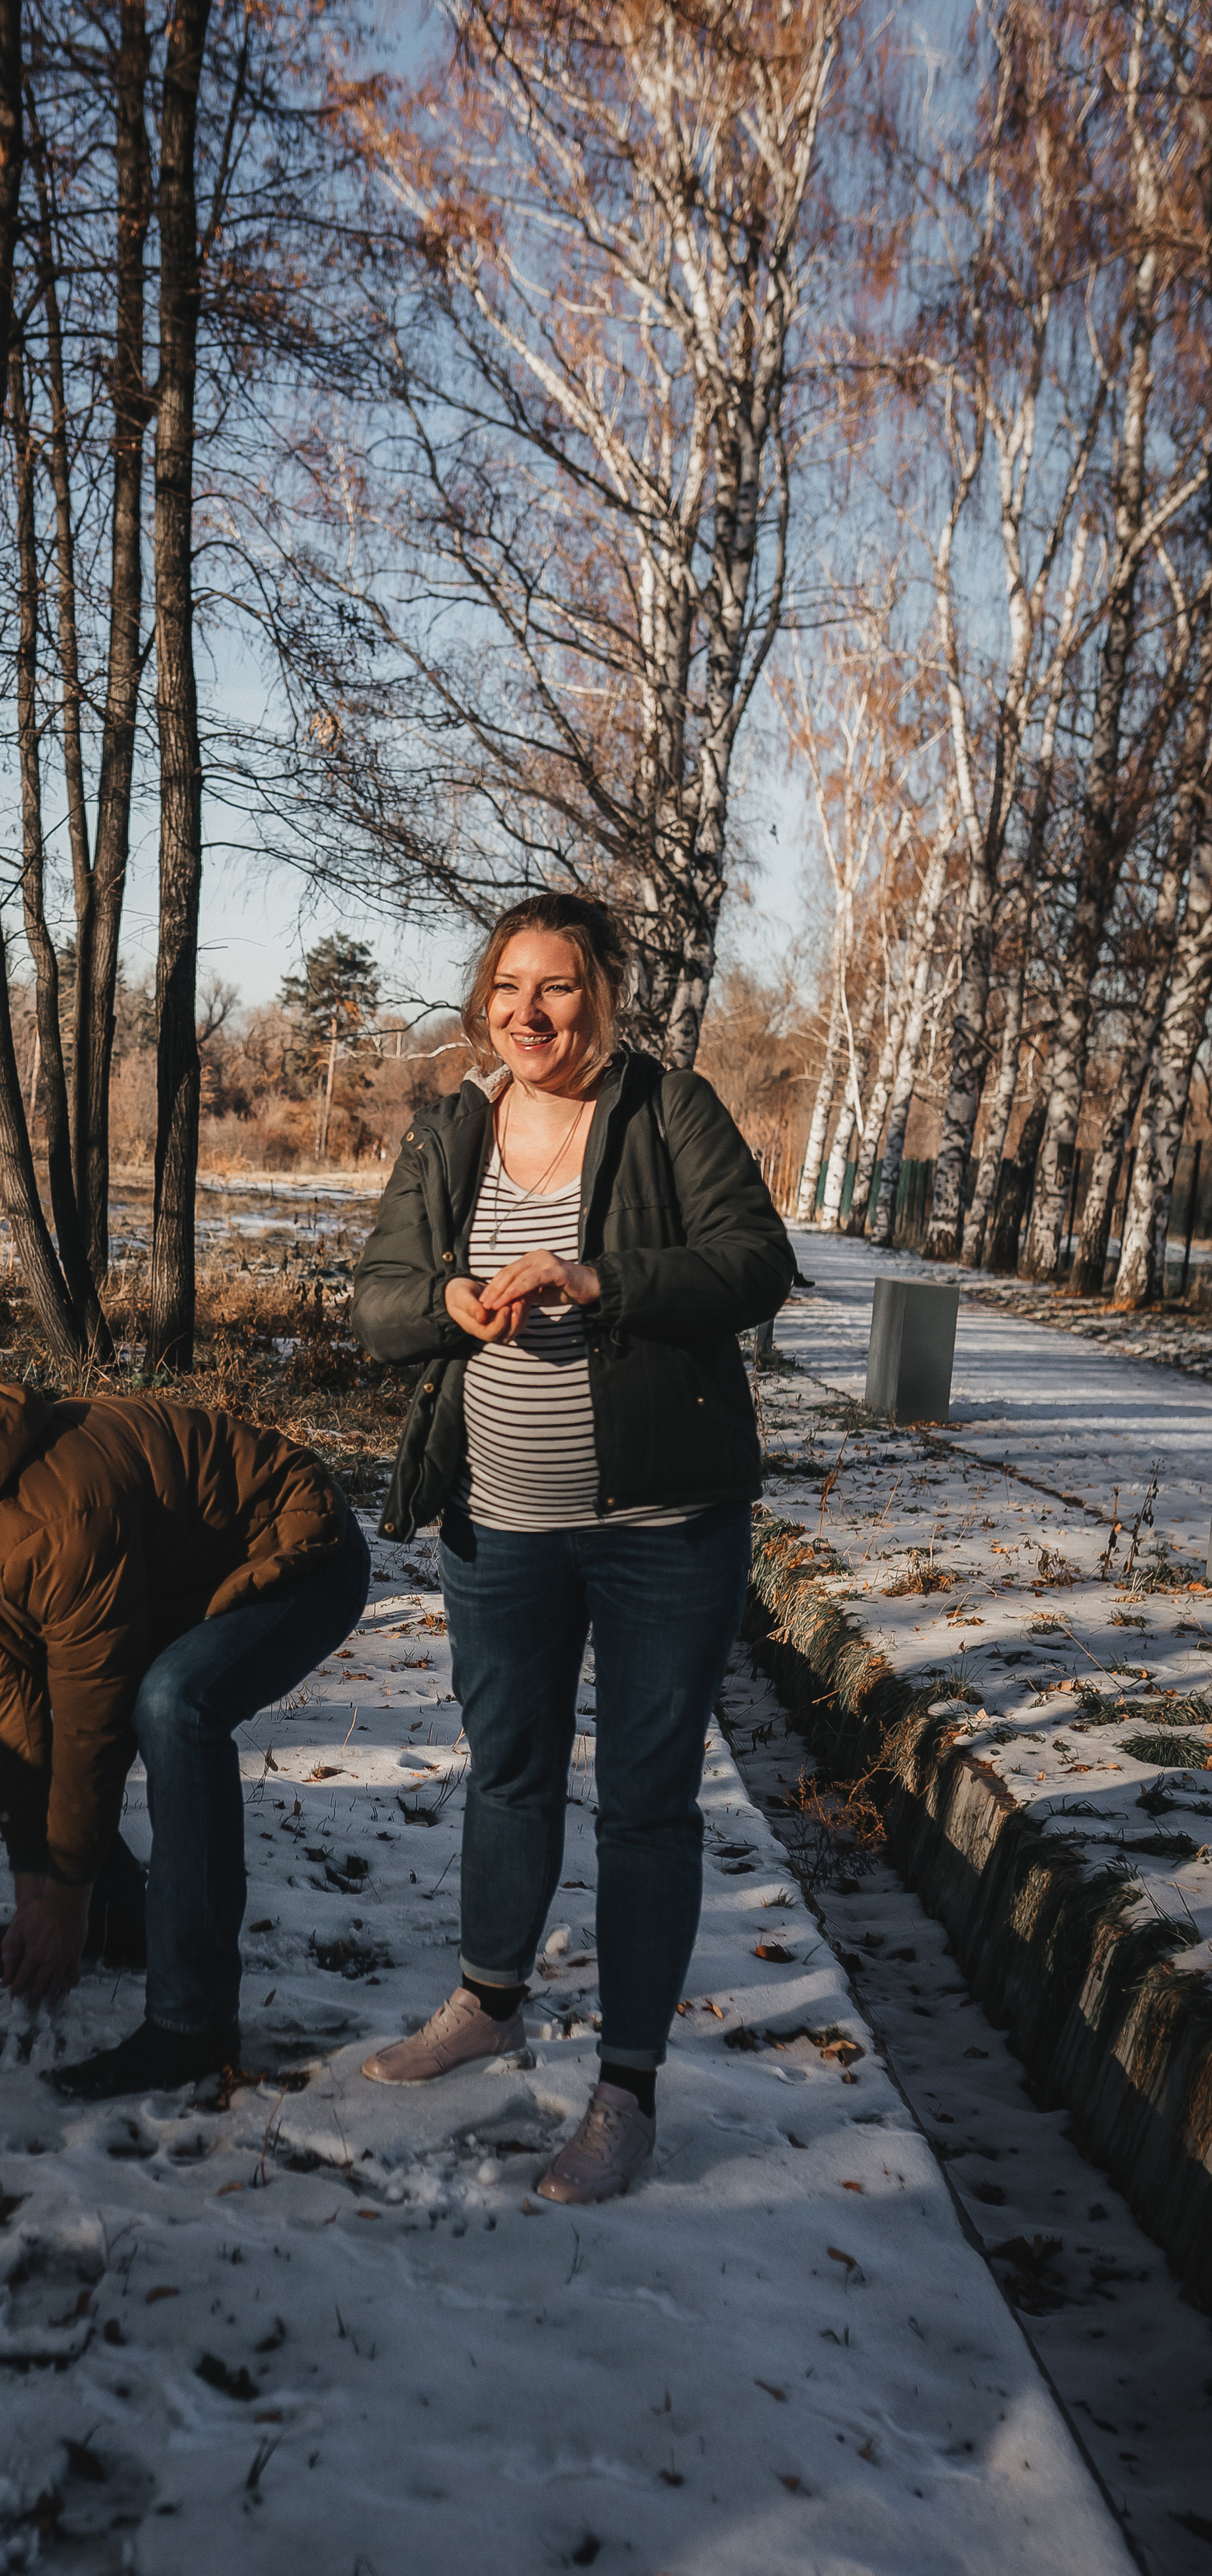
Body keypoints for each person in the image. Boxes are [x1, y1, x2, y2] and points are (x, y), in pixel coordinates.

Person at [349, 891, 792, 2201]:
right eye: (507, 991)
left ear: (603, 998)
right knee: (509, 1771)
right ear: (483, 1002)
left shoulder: (667, 1111)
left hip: (667, 1531)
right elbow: (375, 1304)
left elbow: (754, 1265)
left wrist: (599, 1277)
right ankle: (489, 2000)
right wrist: (441, 1299)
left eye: (560, 990)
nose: (530, 1015)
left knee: (650, 1804)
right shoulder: (452, 1130)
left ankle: (627, 2091)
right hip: (505, 1527)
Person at [0, 1370, 369, 2099]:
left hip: (296, 1549)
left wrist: (62, 1900)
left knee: (175, 1705)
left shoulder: (56, 1510)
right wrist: (33, 1896)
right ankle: (119, 1920)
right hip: (168, 1581)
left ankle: (192, 2025)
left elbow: (92, 1719)